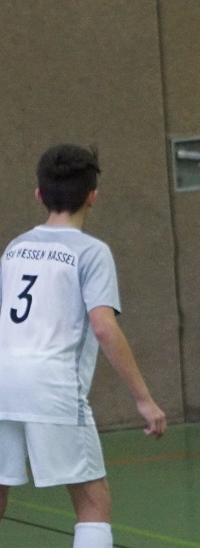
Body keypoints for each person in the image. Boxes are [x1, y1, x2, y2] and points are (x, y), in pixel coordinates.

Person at [0, 144, 167, 548]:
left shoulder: (15, 248)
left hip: (3, 381)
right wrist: (144, 399)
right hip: (52, 386)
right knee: (93, 501)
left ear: (39, 194)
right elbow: (104, 328)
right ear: (93, 196)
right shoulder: (91, 252)